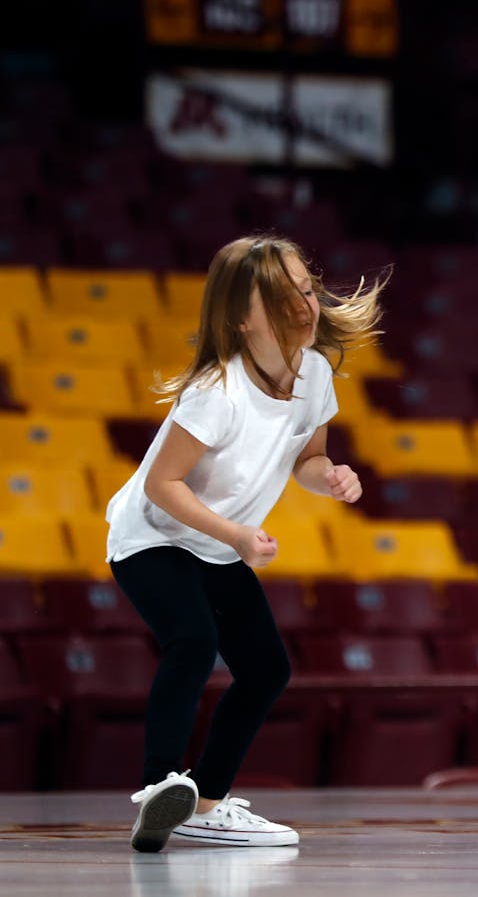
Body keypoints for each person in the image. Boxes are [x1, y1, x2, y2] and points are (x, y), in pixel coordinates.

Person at [107, 235, 386, 852]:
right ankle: (158, 788)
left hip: (213, 545)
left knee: (266, 670)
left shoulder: (315, 375)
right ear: (240, 317)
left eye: (308, 290)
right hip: (150, 535)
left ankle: (205, 803)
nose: (306, 306)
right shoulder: (216, 390)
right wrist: (235, 534)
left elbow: (306, 459)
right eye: (284, 297)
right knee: (194, 640)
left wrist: (331, 477)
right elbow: (161, 484)